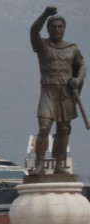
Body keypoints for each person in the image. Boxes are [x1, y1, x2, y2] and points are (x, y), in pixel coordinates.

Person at [31, 6, 85, 175]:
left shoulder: (72, 48)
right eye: (53, 26)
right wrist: (46, 14)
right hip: (48, 91)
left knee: (63, 129)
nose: (56, 29)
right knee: (44, 128)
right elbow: (33, 30)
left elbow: (81, 66)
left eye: (60, 26)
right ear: (48, 28)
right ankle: (39, 164)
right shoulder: (42, 45)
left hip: (65, 94)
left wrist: (78, 79)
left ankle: (59, 164)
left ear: (64, 28)